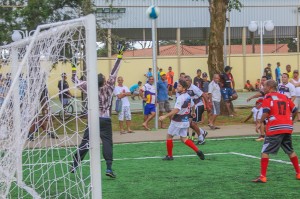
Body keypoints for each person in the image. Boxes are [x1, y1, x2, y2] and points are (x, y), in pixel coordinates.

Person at [70, 46, 125, 178]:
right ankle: (109, 168)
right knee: (107, 142)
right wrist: (119, 55)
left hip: (93, 119)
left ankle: (75, 164)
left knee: (86, 142)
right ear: (105, 81)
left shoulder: (90, 87)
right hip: (105, 119)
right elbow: (114, 71)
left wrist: (73, 65)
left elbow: (74, 80)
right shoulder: (109, 86)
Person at [252, 80, 300, 183]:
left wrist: (259, 122)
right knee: (290, 150)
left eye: (264, 86)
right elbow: (295, 110)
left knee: (265, 151)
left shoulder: (268, 97)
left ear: (269, 87)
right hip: (287, 127)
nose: (263, 88)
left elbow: (266, 111)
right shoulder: (285, 97)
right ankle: (298, 173)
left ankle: (263, 176)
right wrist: (291, 121)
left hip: (275, 127)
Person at [159, 79, 205, 161]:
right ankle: (198, 151)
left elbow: (176, 109)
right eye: (178, 85)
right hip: (185, 121)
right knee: (184, 139)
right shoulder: (188, 96)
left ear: (184, 88)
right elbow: (193, 105)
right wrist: (193, 112)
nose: (177, 87)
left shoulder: (180, 98)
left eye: (179, 86)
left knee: (169, 136)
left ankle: (170, 156)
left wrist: (165, 116)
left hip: (177, 120)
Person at [185, 75, 209, 145]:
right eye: (185, 80)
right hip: (191, 107)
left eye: (187, 80)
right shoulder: (185, 88)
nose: (185, 82)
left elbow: (203, 95)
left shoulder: (194, 88)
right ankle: (202, 132)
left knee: (193, 123)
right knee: (189, 123)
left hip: (198, 106)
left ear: (190, 81)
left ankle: (201, 138)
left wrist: (208, 105)